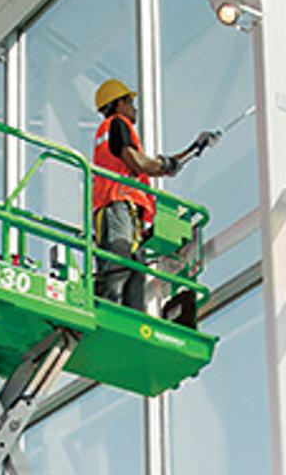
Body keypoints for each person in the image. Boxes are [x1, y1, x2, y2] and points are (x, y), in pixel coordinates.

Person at [92, 79, 215, 311]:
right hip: (117, 202)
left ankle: (131, 319)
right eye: (130, 102)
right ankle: (109, 310)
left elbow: (146, 164)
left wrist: (191, 150)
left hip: (127, 209)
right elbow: (136, 161)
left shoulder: (113, 129)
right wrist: (163, 166)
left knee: (135, 272)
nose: (133, 108)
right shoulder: (117, 124)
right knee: (120, 262)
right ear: (119, 104)